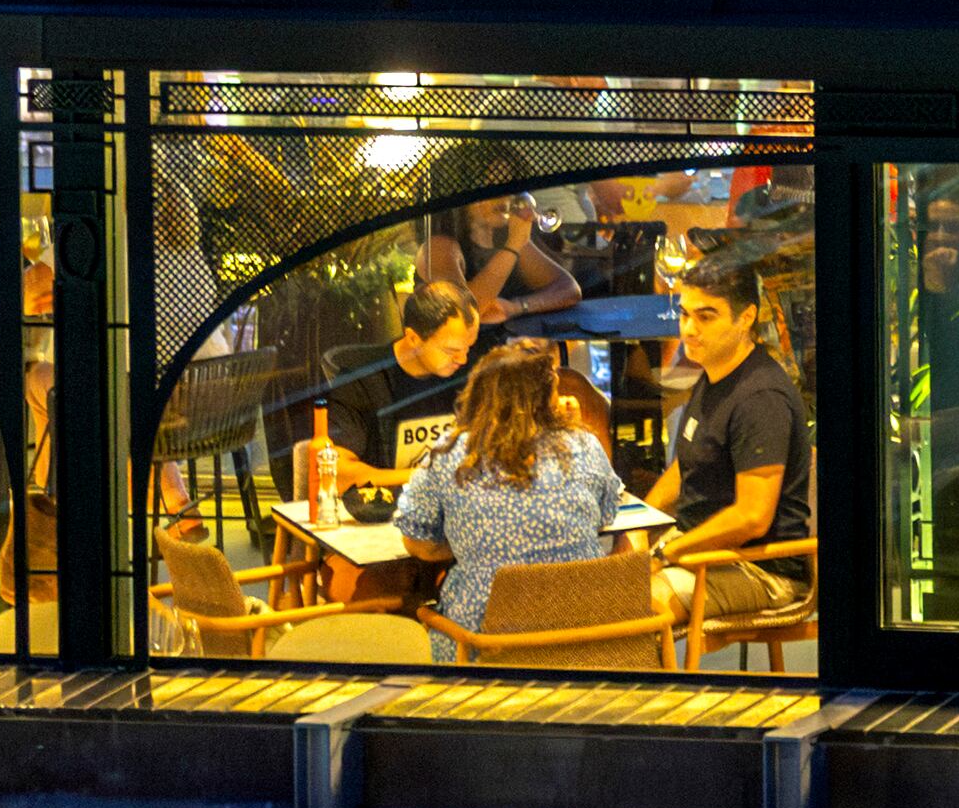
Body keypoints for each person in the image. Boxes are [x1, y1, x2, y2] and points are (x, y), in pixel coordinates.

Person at [391, 342, 620, 639]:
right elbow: (603, 515)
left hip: (486, 648)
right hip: (586, 640)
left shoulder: (450, 453)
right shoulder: (583, 444)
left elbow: (417, 542)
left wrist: (473, 543)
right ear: (545, 400)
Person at [652, 274, 808, 636]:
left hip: (761, 569)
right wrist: (641, 525)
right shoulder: (715, 373)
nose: (689, 329)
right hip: (699, 550)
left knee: (631, 603)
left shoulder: (760, 398)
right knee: (599, 583)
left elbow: (751, 518)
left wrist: (667, 554)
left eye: (706, 317)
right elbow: (689, 463)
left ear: (746, 317)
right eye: (685, 314)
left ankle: (655, 693)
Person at [325, 284, 478, 467]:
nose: (462, 359)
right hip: (389, 493)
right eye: (451, 350)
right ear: (413, 338)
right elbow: (339, 472)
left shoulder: (470, 374)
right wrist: (429, 479)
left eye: (468, 347)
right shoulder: (361, 380)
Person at [419, 194, 575, 325]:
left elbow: (568, 289)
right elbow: (463, 311)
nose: (505, 198)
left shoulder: (507, 236)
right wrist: (513, 245)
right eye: (491, 186)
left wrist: (516, 307)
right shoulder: (439, 247)